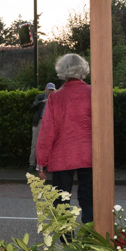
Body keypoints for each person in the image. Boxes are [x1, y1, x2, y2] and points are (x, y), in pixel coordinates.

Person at [36, 53, 93, 224]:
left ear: (62, 70)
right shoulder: (94, 93)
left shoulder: (55, 97)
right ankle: (92, 240)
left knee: (61, 202)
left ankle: (68, 244)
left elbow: (47, 131)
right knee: (89, 199)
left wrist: (42, 161)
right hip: (90, 154)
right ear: (83, 69)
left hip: (63, 155)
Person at [30, 83, 57, 170]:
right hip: (39, 121)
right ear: (45, 89)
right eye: (49, 90)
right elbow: (33, 106)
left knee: (49, 143)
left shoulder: (56, 98)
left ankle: (46, 164)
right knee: (35, 143)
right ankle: (32, 163)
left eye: (52, 90)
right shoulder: (40, 97)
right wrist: (43, 102)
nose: (50, 92)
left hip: (50, 123)